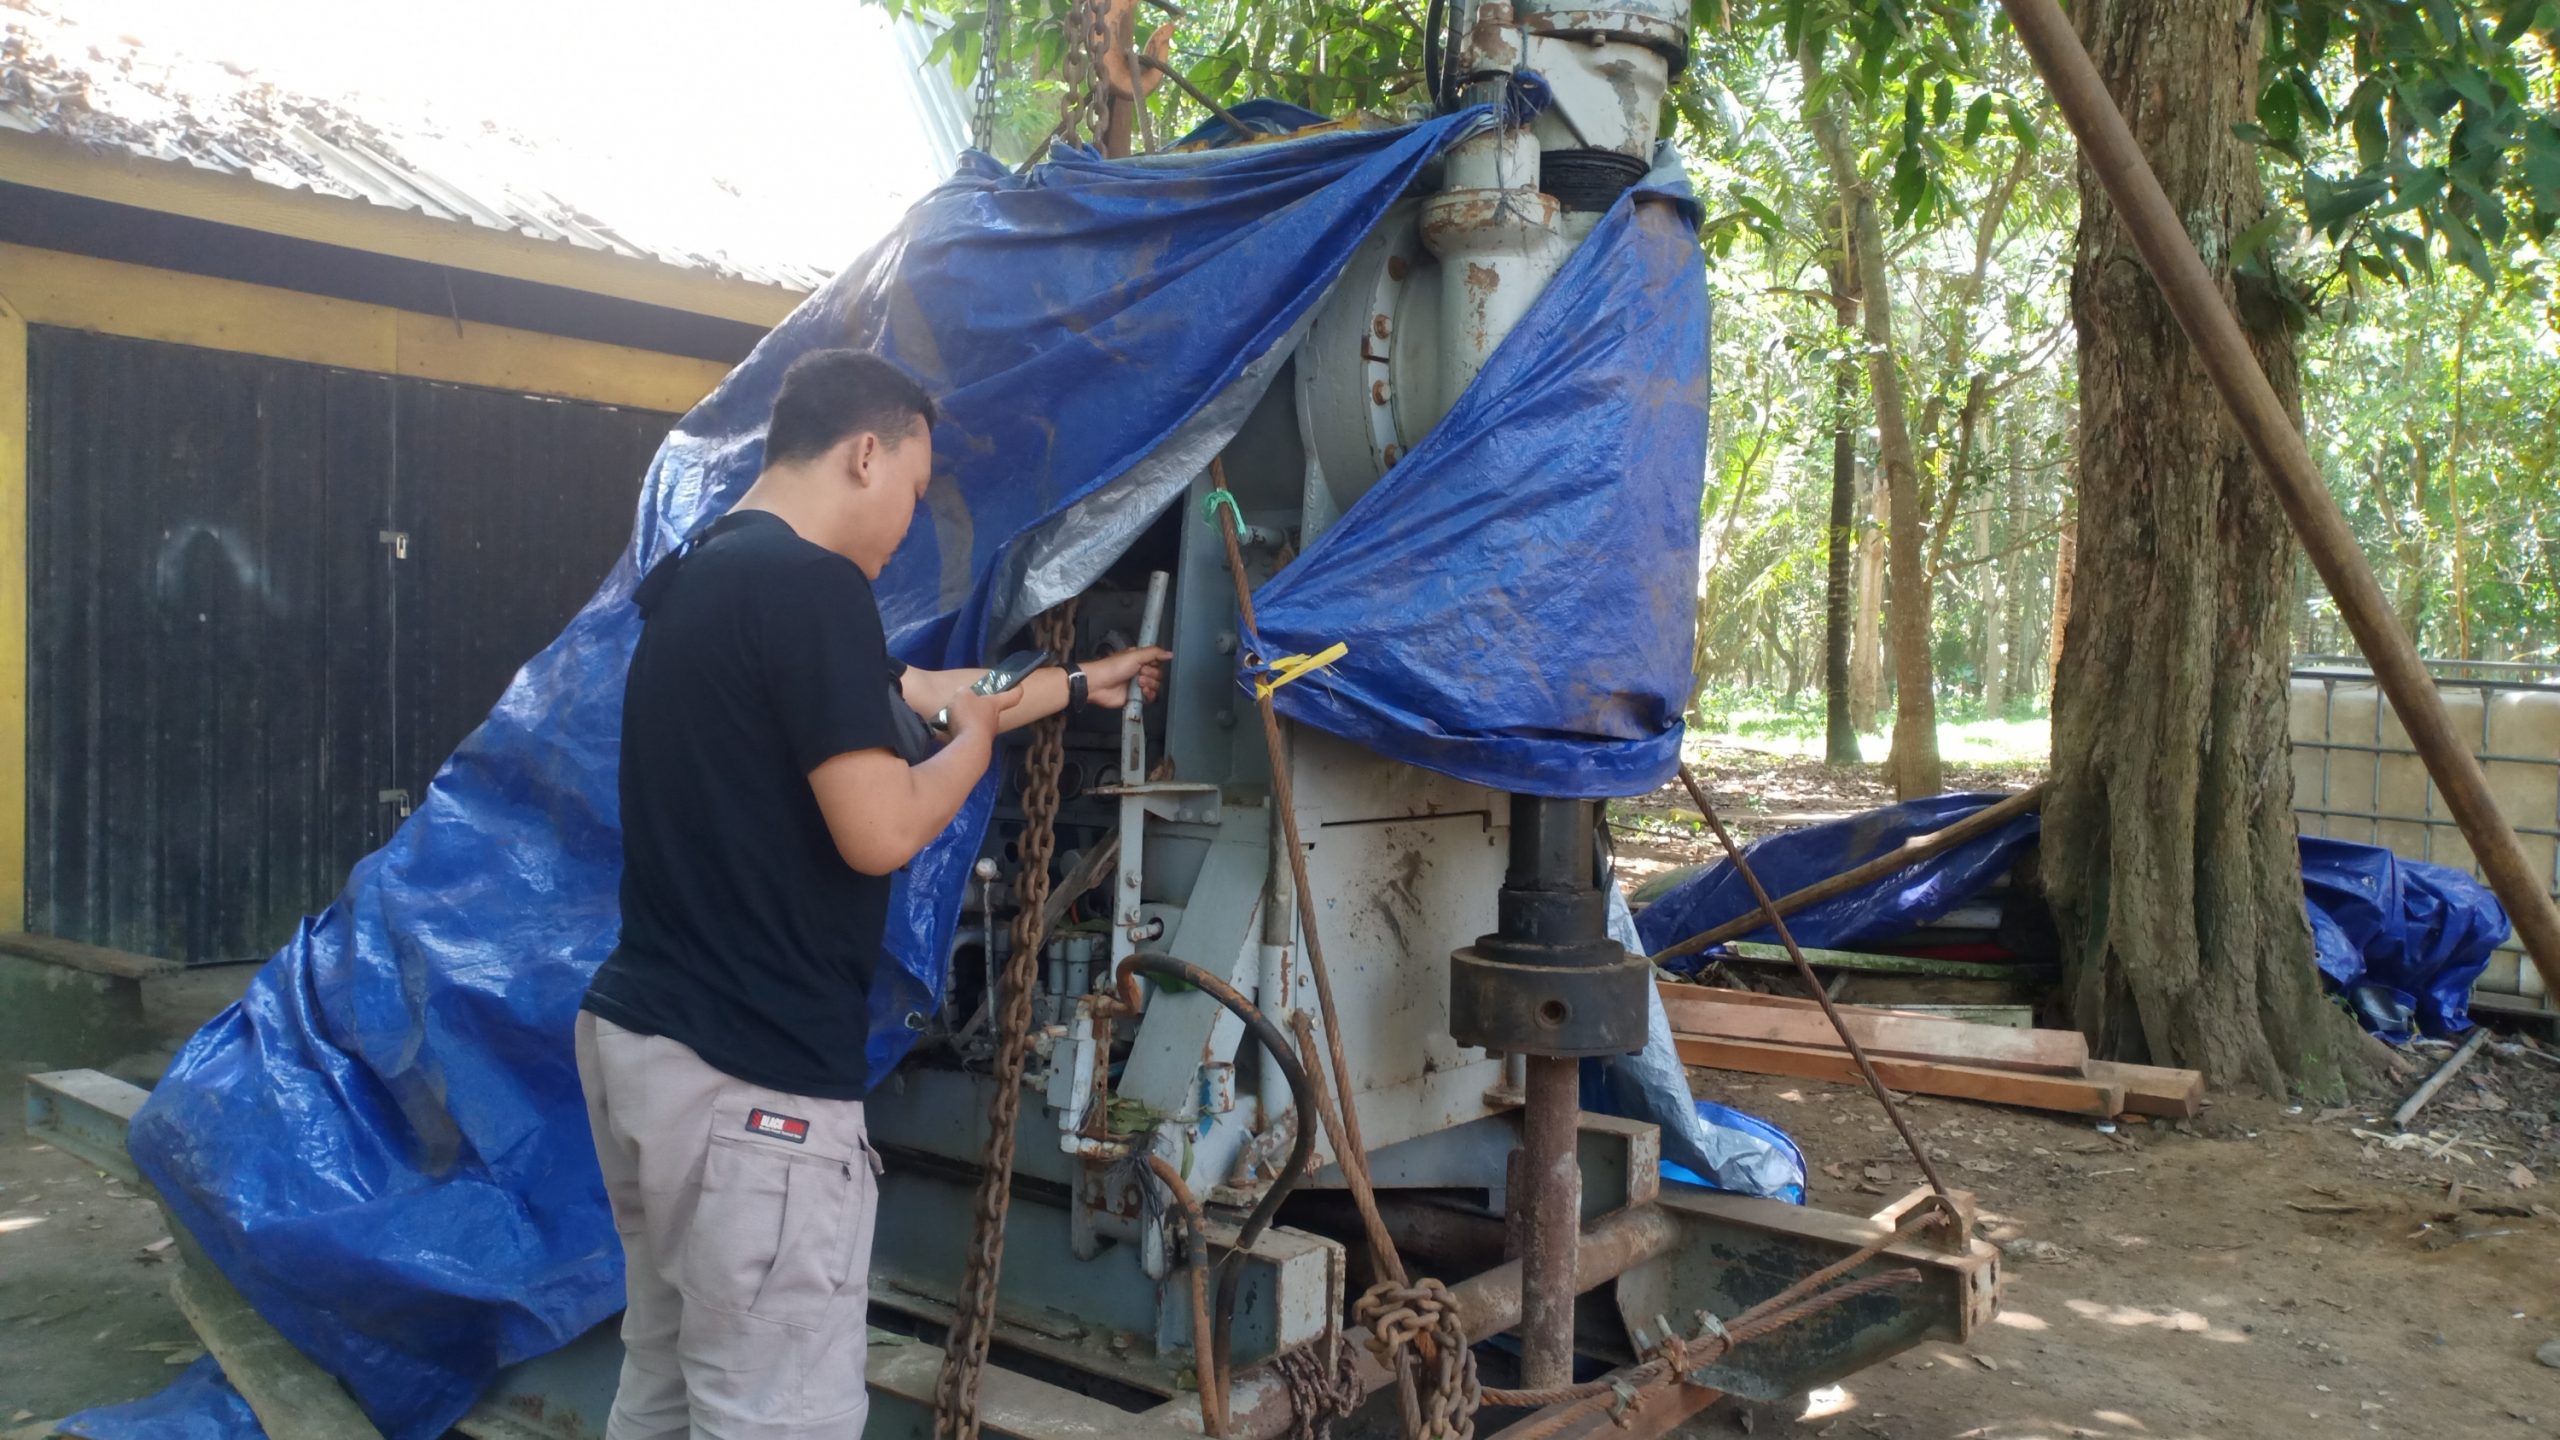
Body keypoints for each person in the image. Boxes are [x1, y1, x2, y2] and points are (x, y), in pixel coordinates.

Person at [573, 347, 1169, 1439]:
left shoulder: (709, 576)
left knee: (664, 1382)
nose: (907, 521)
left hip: (642, 1047)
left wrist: (1082, 682)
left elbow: (928, 694)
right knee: (773, 1414)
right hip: (749, 1084)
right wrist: (976, 751)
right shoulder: (812, 589)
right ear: (862, 453)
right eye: (910, 484)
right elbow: (884, 827)